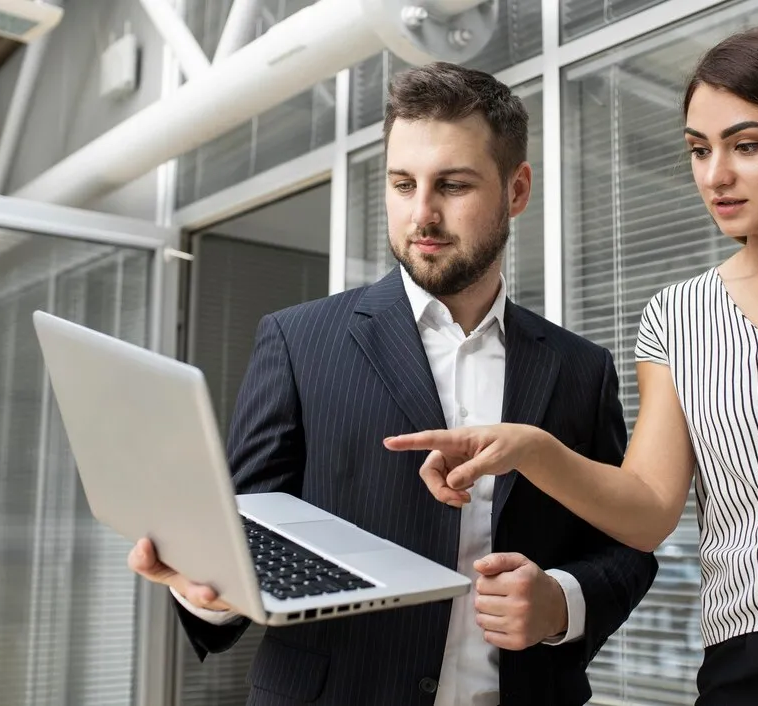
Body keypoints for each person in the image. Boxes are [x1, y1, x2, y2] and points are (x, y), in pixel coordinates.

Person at [385, 25, 758, 706]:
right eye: (699, 150)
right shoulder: (678, 316)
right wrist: (529, 449)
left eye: (747, 145)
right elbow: (648, 512)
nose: (715, 175)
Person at [128, 62, 657, 706]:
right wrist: (203, 584)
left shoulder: (581, 369)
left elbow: (627, 543)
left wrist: (561, 603)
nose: (422, 215)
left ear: (517, 190)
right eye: (403, 184)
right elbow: (243, 537)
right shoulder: (299, 342)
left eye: (453, 185)